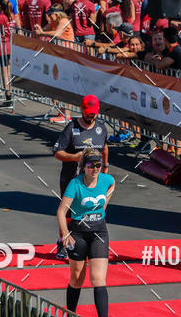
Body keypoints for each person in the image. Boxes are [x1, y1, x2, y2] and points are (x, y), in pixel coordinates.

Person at [57, 148, 114, 317]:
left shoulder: (107, 180)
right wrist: (65, 234)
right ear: (84, 167)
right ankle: (71, 313)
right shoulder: (75, 184)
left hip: (99, 232)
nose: (95, 169)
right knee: (77, 280)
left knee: (98, 279)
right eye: (91, 165)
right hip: (78, 233)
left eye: (98, 165)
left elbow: (112, 186)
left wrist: (101, 210)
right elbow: (61, 211)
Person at [53, 95, 109, 259]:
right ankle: (63, 242)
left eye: (94, 113)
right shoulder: (71, 128)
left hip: (93, 181)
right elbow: (57, 152)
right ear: (82, 109)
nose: (91, 115)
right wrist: (74, 157)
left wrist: (105, 167)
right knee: (68, 213)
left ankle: (89, 242)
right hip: (72, 179)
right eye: (88, 112)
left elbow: (105, 148)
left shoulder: (101, 128)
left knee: (92, 211)